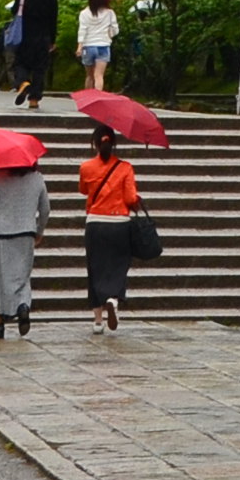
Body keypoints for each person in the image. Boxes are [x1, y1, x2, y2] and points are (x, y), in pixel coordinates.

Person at [0, 156, 48, 338]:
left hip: (0, 235)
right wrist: (39, 231)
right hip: (26, 234)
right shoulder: (37, 179)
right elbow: (45, 209)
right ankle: (23, 305)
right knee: (22, 275)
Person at [79, 123, 142, 332]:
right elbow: (130, 198)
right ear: (113, 143)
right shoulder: (125, 168)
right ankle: (113, 299)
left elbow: (83, 190)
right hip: (119, 224)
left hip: (95, 223)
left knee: (95, 269)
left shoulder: (86, 167)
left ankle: (97, 320)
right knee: (118, 265)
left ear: (95, 144)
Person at [9, 0, 59, 107]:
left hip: (24, 35)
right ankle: (34, 99)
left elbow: (14, 11)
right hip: (43, 37)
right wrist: (52, 40)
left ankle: (23, 82)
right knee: (40, 68)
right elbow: (53, 21)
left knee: (20, 63)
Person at [76, 0, 121, 95]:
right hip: (103, 46)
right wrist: (109, 34)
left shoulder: (84, 13)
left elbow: (82, 30)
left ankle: (87, 97)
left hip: (88, 46)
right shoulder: (110, 13)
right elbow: (115, 30)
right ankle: (97, 97)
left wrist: (79, 47)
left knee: (89, 76)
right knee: (99, 75)